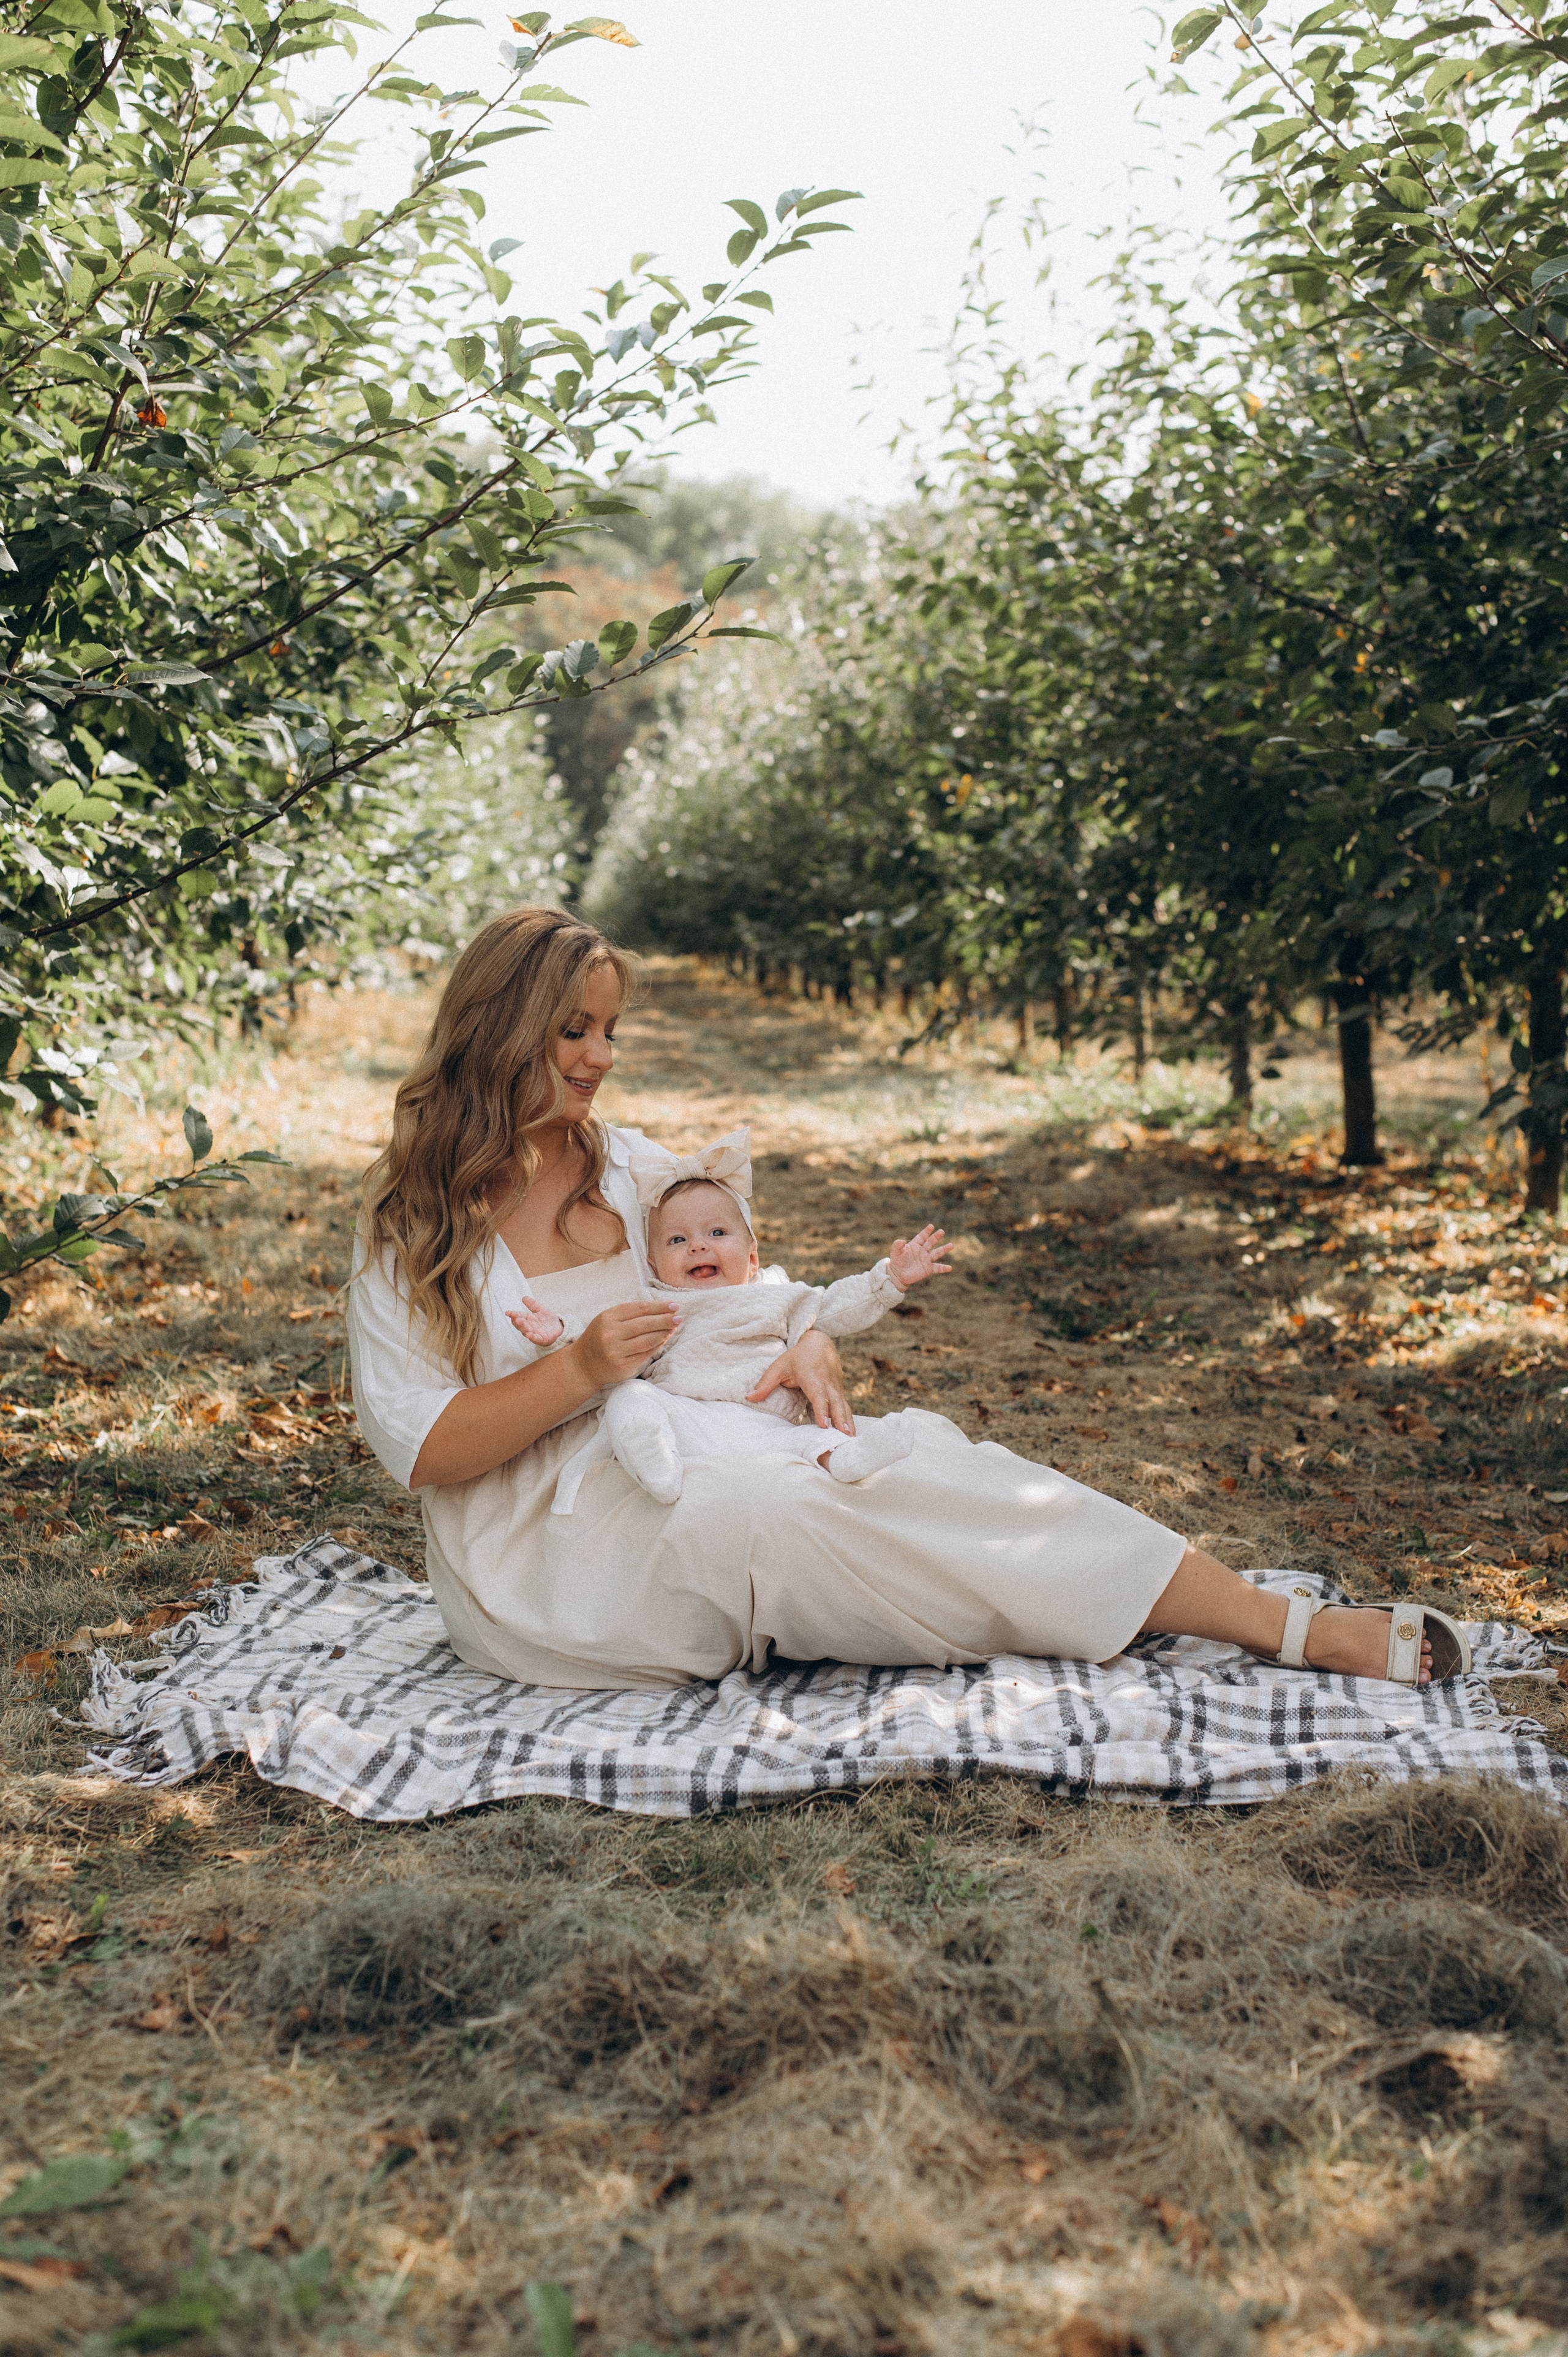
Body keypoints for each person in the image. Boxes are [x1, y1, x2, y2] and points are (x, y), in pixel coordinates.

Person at [347, 906, 1473, 1695]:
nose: (600, 1056)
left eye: (609, 1031)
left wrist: (809, 1342)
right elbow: (426, 1450)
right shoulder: (415, 1226)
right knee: (788, 1508)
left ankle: (1275, 1621)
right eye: (573, 1031)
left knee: (921, 1463)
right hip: (544, 1553)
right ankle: (1229, 1621)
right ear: (502, 1028)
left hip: (700, 1444)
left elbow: (734, 1286)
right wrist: (580, 1370)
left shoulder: (630, 1167)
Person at [503, 1131, 950, 1507]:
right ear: (655, 1267)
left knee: (811, 1440)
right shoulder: (662, 1306)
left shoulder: (775, 1294)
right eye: (677, 1240)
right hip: (689, 1420)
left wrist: (889, 1278)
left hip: (769, 1422)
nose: (698, 1246)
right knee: (632, 1399)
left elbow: (836, 1306)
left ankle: (846, 1460)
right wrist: (562, 1332)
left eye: (717, 1233)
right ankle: (658, 1467)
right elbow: (615, 1345)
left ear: (753, 1258)